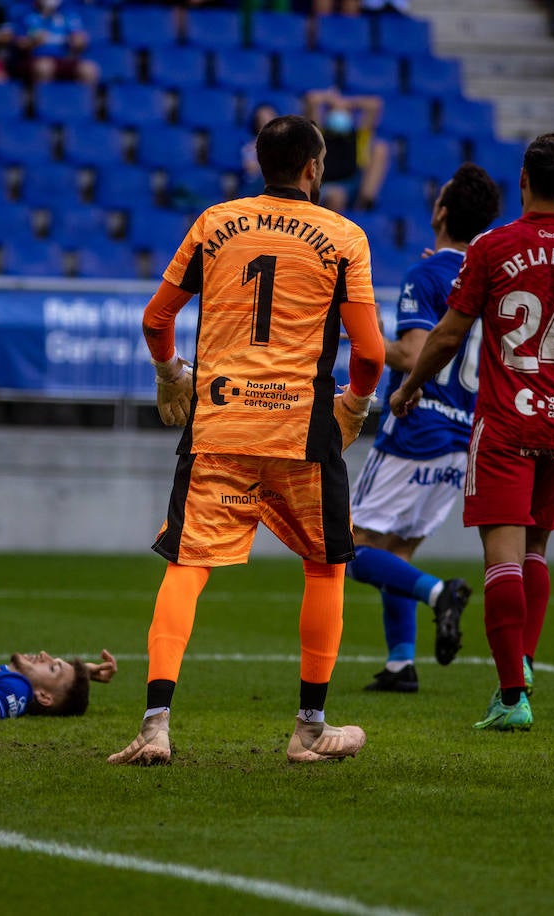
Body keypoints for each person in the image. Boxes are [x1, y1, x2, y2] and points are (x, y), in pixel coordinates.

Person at [109, 114, 386, 765]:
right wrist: (353, 406)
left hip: (220, 423)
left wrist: (170, 373)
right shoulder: (344, 235)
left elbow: (156, 319)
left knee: (188, 566)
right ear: (313, 168)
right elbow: (371, 353)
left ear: (261, 164)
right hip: (302, 430)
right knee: (325, 566)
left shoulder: (214, 223)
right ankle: (309, 730)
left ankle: (154, 726)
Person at [388, 133, 554, 731]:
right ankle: (525, 660)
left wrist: (409, 388)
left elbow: (447, 336)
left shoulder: (493, 247)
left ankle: (511, 696)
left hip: (508, 422)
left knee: (501, 557)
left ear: (524, 179)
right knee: (536, 550)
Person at [346, 164, 501, 694]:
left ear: (441, 212)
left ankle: (439, 594)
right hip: (464, 436)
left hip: (417, 426)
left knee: (350, 546)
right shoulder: (490, 279)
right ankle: (400, 665)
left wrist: (366, 336)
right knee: (397, 551)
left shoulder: (427, 274)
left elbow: (413, 355)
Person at [305, 87, 392, 212]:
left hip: (351, 184)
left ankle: (364, 204)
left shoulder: (359, 136)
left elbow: (375, 105)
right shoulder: (319, 134)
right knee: (336, 196)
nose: (339, 114)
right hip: (325, 185)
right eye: (335, 111)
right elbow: (311, 100)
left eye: (344, 112)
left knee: (380, 148)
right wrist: (330, 99)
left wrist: (349, 103)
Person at [15, 0, 99, 85]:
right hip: (36, 58)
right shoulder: (26, 15)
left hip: (65, 59)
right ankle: (43, 93)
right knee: (44, 67)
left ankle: (84, 94)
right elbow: (19, 44)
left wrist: (79, 41)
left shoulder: (68, 15)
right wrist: (33, 42)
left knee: (88, 69)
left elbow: (80, 39)